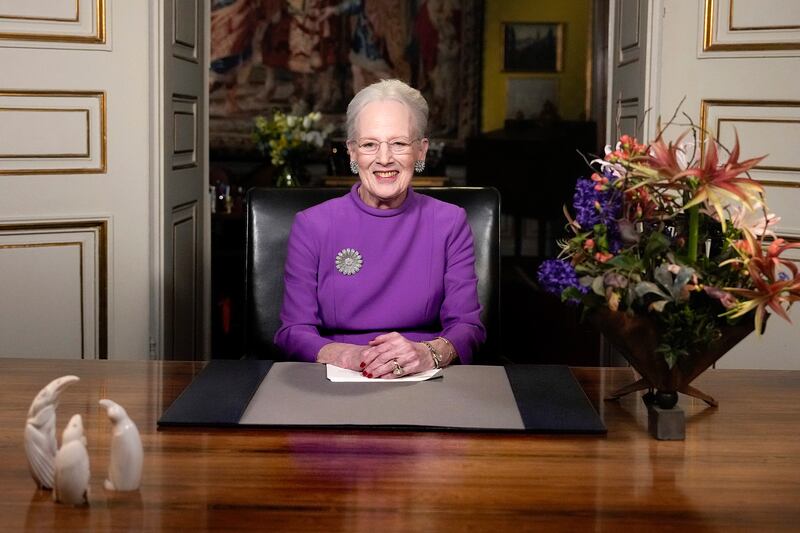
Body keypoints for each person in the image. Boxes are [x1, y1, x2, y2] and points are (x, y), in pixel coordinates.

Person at [274, 79, 485, 378]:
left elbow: (468, 327)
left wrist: (427, 353)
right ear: (352, 152)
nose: (384, 159)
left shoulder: (450, 222)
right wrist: (352, 356)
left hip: (424, 378)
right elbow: (293, 331)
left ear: (421, 151)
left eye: (399, 143)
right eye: (370, 144)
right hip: (336, 378)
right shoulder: (312, 225)